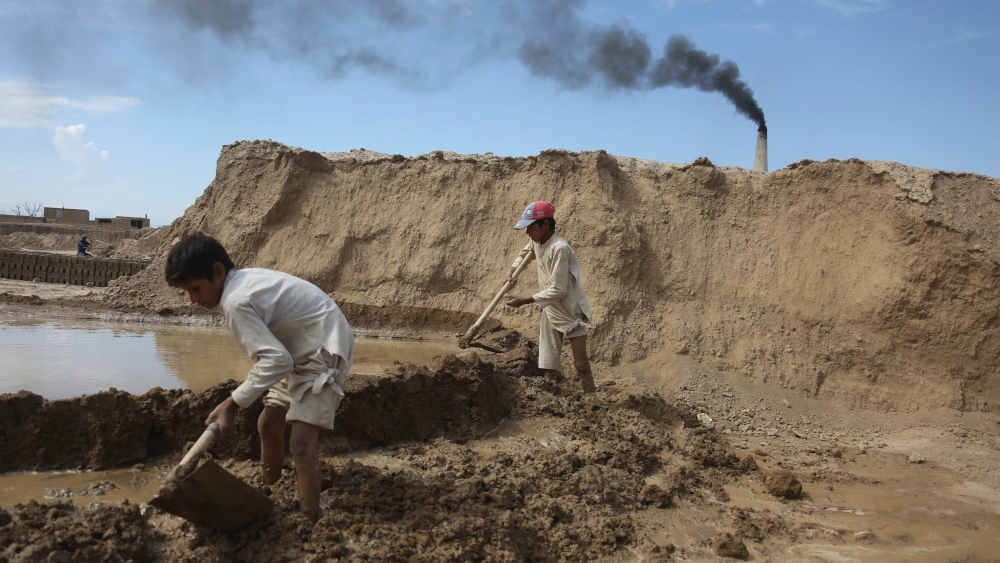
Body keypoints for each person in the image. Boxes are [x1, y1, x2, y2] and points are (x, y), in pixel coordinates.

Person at [164, 232, 354, 521]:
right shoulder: (240, 284)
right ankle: (271, 491)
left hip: (323, 348)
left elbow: (276, 360)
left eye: (195, 289)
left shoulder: (236, 301)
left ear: (217, 271)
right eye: (186, 292)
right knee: (268, 423)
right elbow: (279, 358)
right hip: (296, 348)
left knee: (301, 443)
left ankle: (309, 518)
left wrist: (232, 403)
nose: (192, 300)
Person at [504, 201, 596, 393]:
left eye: (531, 228)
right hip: (550, 308)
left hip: (570, 310)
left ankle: (591, 397)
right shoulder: (536, 240)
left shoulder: (559, 248)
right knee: (548, 361)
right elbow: (524, 254)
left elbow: (559, 290)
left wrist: (526, 300)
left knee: (581, 364)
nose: (528, 233)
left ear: (545, 225)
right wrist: (512, 272)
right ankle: (554, 395)